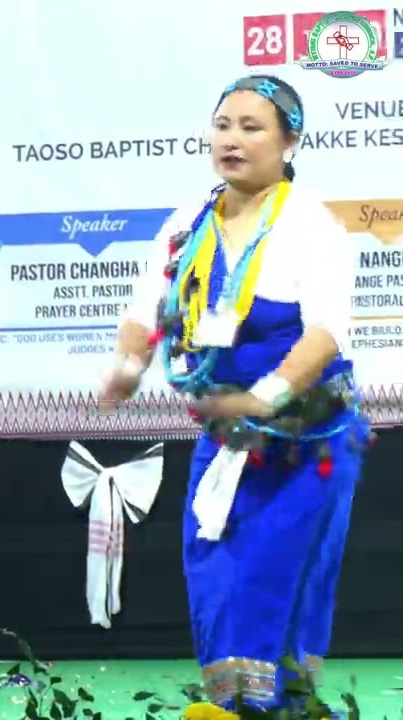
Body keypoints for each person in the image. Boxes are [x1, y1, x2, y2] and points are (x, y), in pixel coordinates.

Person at [100, 75, 367, 712]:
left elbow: (329, 331)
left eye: (252, 128)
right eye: (224, 125)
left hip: (306, 443)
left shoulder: (311, 226)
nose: (233, 140)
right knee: (215, 575)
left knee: (272, 583)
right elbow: (148, 309)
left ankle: (280, 707)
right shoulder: (187, 224)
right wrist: (128, 366)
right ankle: (232, 706)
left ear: (290, 141)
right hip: (227, 439)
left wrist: (264, 397)